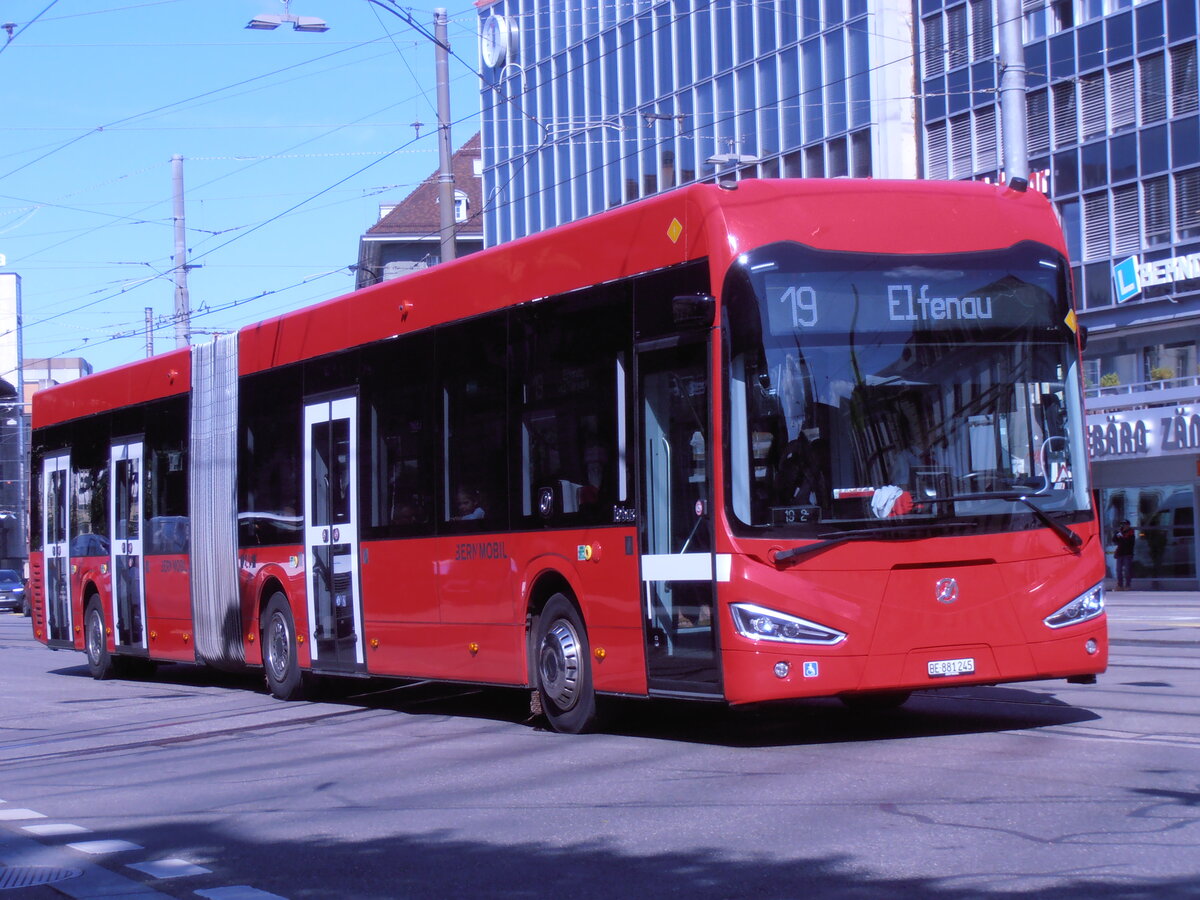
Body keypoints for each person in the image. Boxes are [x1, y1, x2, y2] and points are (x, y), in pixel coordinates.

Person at [1113, 520, 1136, 590]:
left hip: (1128, 554)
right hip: (1120, 553)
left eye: (1125, 525)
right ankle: (1120, 585)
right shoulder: (1120, 532)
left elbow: (1129, 543)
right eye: (1122, 525)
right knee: (1119, 570)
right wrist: (1117, 535)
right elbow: (1114, 540)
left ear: (1128, 525)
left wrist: (1122, 537)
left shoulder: (1131, 533)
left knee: (1127, 570)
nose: (1123, 526)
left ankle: (1128, 585)